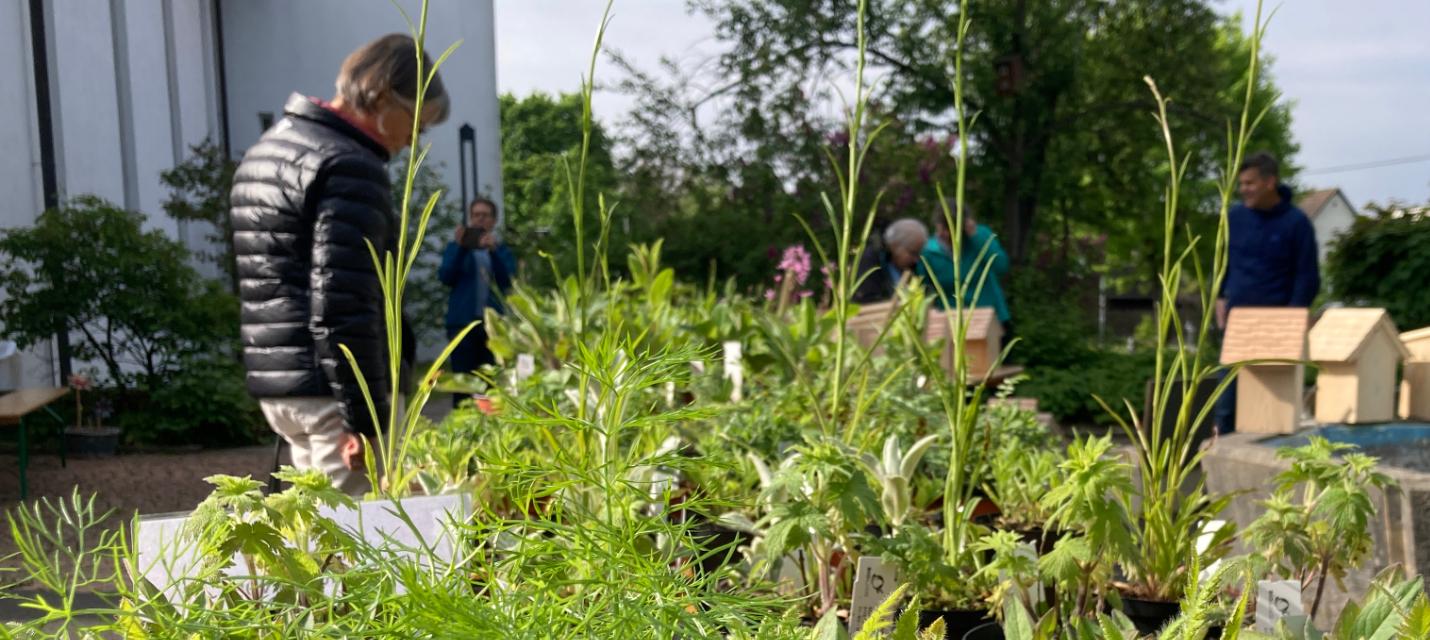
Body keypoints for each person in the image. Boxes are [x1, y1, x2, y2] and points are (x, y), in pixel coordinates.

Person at [230, 34, 450, 495]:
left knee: (313, 535)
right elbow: (342, 304)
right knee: (359, 543)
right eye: (418, 124)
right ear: (386, 95)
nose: (413, 140)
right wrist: (364, 421)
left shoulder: (272, 147)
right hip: (334, 392)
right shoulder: (350, 166)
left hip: (285, 385)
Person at [1214, 152, 1320, 433]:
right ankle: (1217, 467)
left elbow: (1307, 275)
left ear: (1270, 182)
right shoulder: (1235, 217)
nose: (1243, 189)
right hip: (1237, 322)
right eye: (1242, 184)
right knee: (1226, 401)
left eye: (1250, 183)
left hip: (1277, 323)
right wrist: (1220, 296)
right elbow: (1223, 261)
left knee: (1273, 405)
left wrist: (1294, 318)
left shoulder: (1296, 223)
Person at [438, 197, 516, 403]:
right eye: (476, 215)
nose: (480, 219)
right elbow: (446, 277)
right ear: (470, 218)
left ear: (493, 220)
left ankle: (489, 424)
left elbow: (507, 281)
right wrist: (461, 246)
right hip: (462, 325)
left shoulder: (501, 250)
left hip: (492, 328)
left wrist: (495, 253)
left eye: (485, 215)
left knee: (492, 381)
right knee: (462, 382)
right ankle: (462, 426)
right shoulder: (456, 249)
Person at [919, 209, 1011, 329]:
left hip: (989, 317)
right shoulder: (928, 251)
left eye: (947, 229)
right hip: (952, 320)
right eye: (939, 229)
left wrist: (976, 237)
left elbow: (1001, 266)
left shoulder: (979, 235)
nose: (942, 235)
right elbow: (921, 286)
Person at [852, 218, 928, 303]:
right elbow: (866, 300)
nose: (916, 260)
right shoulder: (870, 261)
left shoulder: (913, 268)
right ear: (894, 245)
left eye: (919, 254)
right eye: (912, 253)